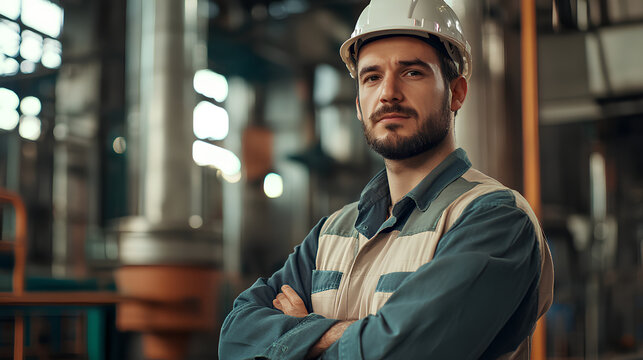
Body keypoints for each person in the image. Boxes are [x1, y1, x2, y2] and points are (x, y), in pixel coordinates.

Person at [219, 0, 554, 358]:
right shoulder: (333, 232)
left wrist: (300, 335)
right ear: (360, 103)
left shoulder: (495, 218)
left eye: (412, 72)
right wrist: (361, 333)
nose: (388, 92)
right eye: (372, 77)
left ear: (456, 93)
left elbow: (404, 353)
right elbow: (236, 336)